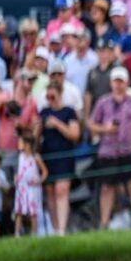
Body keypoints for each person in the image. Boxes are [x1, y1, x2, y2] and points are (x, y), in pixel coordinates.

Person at [89, 67, 131, 229]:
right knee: (107, 188)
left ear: (126, 83)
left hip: (129, 149)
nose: (118, 85)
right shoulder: (103, 102)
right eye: (115, 81)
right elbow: (91, 124)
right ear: (111, 83)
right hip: (108, 151)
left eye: (121, 81)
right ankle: (104, 223)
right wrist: (105, 129)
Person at [38, 82, 80, 236]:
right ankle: (55, 228)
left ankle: (62, 229)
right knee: (50, 192)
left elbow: (75, 134)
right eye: (47, 96)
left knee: (61, 190)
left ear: (59, 94)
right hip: (47, 156)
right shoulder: (43, 112)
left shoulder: (69, 112)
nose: (50, 99)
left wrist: (57, 124)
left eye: (52, 95)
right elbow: (37, 136)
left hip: (64, 155)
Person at [13, 135, 46, 236]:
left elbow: (45, 172)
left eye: (20, 142)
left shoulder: (36, 157)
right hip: (21, 187)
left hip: (32, 188)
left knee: (33, 212)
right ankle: (17, 234)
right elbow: (19, 171)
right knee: (19, 211)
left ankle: (34, 233)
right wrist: (16, 177)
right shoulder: (20, 156)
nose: (18, 145)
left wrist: (39, 181)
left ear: (27, 145)